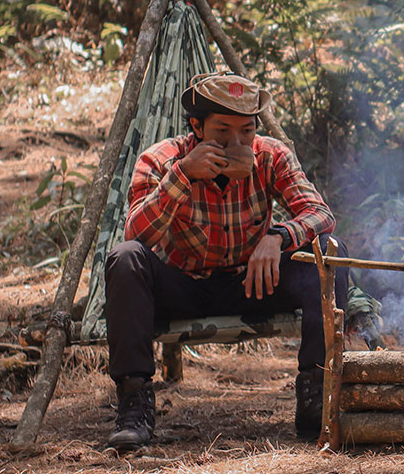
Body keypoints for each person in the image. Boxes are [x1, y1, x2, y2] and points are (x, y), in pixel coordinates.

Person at [103, 72, 346, 450]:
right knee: (125, 259)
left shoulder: (270, 155)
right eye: (221, 132)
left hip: (252, 282)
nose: (237, 144)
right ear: (196, 128)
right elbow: (135, 233)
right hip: (183, 285)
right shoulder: (161, 159)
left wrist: (278, 236)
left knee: (329, 250)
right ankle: (134, 405)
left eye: (246, 131)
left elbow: (319, 213)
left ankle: (317, 394)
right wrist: (183, 175)